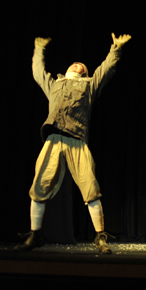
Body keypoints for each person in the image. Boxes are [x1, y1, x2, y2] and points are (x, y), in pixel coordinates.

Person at [16, 32, 132, 253]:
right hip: (53, 139)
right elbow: (38, 72)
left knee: (90, 188)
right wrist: (39, 50)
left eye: (82, 66)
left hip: (77, 140)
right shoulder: (54, 84)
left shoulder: (89, 86)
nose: (77, 64)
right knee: (39, 185)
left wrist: (115, 48)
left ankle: (100, 237)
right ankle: (35, 235)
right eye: (75, 63)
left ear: (85, 73)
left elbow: (106, 69)